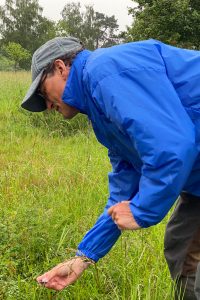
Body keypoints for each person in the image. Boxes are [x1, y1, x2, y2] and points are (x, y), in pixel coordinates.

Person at [21, 36, 200, 299]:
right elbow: (123, 190)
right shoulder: (100, 113)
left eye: (42, 93)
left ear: (61, 68)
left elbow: (172, 145)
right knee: (182, 246)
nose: (47, 106)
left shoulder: (105, 70)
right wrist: (83, 257)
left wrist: (143, 209)